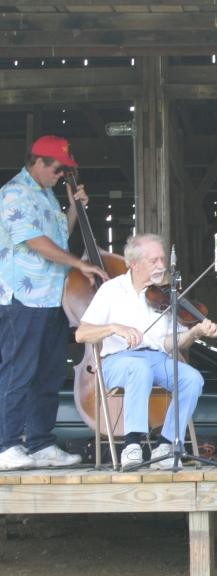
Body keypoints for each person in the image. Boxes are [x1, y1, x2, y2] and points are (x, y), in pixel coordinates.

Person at [0, 135, 109, 471]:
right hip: (23, 298)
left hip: (52, 297)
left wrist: (75, 208)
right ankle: (5, 446)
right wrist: (80, 264)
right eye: (59, 168)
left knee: (48, 373)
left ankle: (39, 443)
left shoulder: (46, 196)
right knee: (19, 371)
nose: (62, 175)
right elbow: (36, 243)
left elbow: (62, 236)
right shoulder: (14, 194)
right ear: (38, 162)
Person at [75, 233, 217, 469]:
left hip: (157, 358)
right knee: (138, 367)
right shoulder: (111, 290)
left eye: (163, 260)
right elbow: (81, 333)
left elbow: (169, 344)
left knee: (192, 379)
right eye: (154, 261)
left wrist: (195, 333)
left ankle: (166, 444)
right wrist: (114, 327)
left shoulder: (164, 295)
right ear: (133, 264)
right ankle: (131, 444)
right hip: (117, 361)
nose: (161, 266)